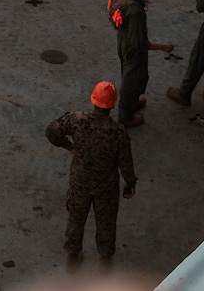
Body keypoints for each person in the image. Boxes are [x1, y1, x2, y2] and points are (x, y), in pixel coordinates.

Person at [45, 80, 137, 274]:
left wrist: (70, 147)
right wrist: (130, 183)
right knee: (106, 222)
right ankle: (105, 260)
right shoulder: (118, 133)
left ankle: (72, 257)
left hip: (80, 181)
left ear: (93, 100)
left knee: (76, 219)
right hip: (106, 187)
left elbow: (51, 131)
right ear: (112, 104)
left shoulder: (76, 120)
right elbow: (125, 163)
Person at [106, 0, 175, 127]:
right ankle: (125, 116)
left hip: (123, 41)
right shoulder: (135, 11)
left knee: (130, 73)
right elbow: (139, 44)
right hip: (132, 47)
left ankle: (133, 102)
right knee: (132, 80)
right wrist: (162, 46)